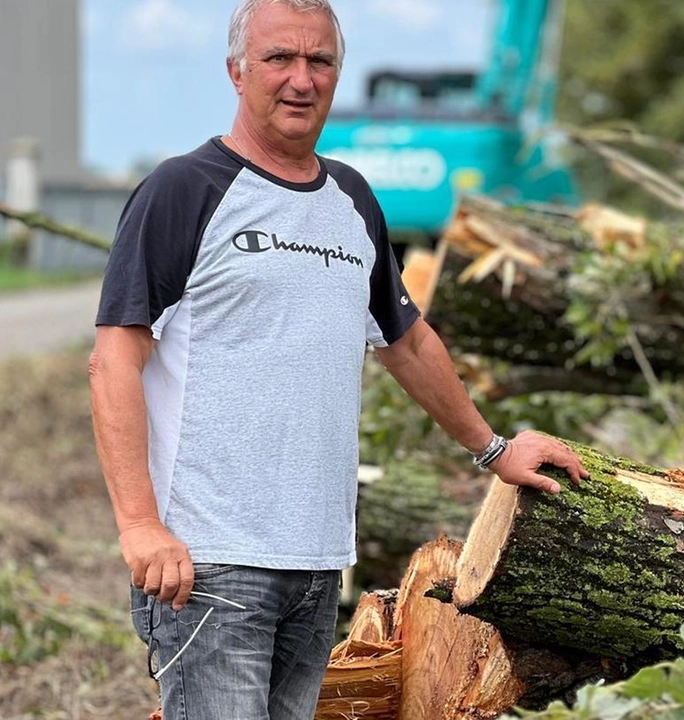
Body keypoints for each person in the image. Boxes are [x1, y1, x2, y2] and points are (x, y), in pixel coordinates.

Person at [87, 1, 588, 717]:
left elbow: (407, 341)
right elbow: (113, 362)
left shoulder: (351, 198)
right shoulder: (185, 191)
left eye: (319, 61)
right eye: (278, 59)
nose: (301, 79)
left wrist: (495, 449)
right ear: (237, 72)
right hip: (209, 563)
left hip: (318, 564)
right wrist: (139, 525)